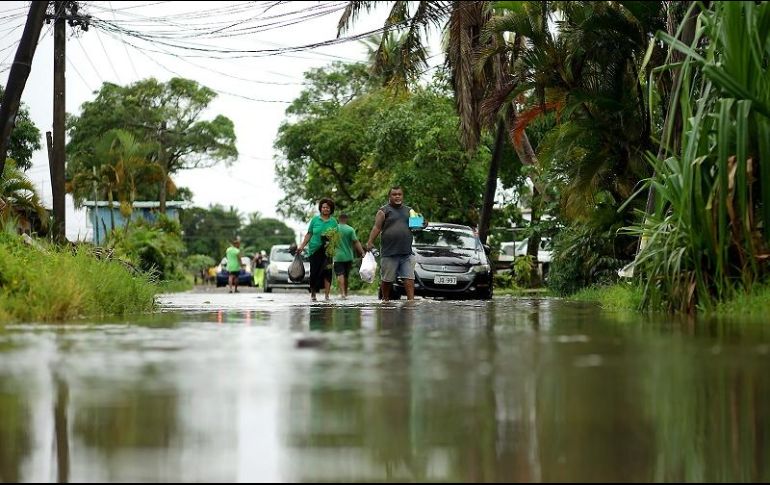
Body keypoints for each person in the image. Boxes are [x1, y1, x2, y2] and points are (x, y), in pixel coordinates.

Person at [366, 186, 423, 301]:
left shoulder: (409, 211)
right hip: (389, 252)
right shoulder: (384, 211)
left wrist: (423, 223)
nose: (397, 196)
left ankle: (411, 302)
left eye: (399, 194)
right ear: (389, 196)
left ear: (402, 196)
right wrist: (370, 242)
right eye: (394, 194)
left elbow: (416, 227)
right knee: (387, 280)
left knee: (409, 278)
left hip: (406, 252)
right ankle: (385, 300)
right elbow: (377, 228)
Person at [296, 198, 338, 302]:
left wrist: (331, 241)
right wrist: (301, 246)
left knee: (327, 272)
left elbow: (336, 236)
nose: (325, 209)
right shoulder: (315, 220)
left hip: (327, 251)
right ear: (320, 208)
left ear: (331, 209)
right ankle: (313, 294)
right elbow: (309, 233)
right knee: (314, 272)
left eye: (327, 207)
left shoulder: (333, 221)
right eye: (323, 207)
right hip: (314, 250)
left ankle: (327, 295)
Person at [333, 213, 366, 299]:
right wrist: (362, 253)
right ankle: (346, 293)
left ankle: (342, 293)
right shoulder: (350, 229)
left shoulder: (334, 229)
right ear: (346, 219)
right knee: (346, 275)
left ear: (339, 219)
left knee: (340, 274)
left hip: (338, 256)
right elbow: (356, 242)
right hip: (348, 256)